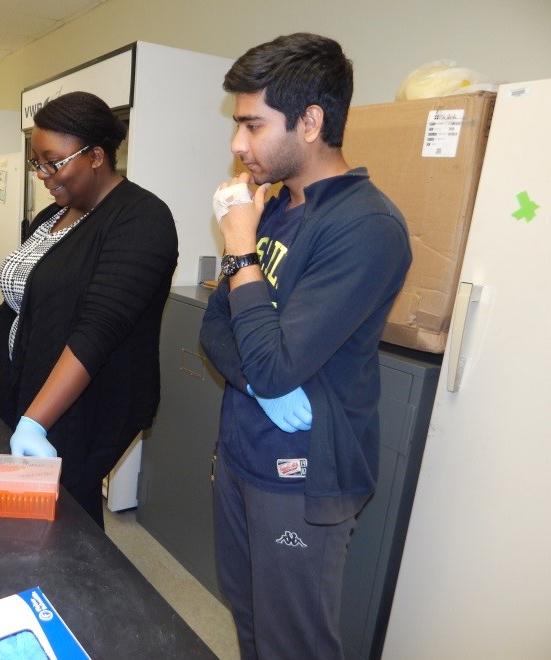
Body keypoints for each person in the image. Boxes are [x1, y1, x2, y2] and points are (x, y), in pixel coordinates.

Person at [200, 34, 412, 658]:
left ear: (311, 121)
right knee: (249, 621)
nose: (238, 145)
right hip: (242, 451)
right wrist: (256, 382)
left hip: (302, 476)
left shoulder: (365, 226)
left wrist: (240, 250)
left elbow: (272, 362)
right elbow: (216, 328)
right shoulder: (271, 209)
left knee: (293, 643)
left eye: (252, 125)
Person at [0, 91, 178, 528]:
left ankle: (83, 594)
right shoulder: (53, 214)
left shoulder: (142, 219)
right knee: (22, 507)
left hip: (86, 399)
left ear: (97, 155)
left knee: (65, 512)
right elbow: (20, 298)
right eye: (38, 164)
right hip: (28, 382)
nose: (44, 175)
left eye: (54, 162)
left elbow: (99, 329)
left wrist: (35, 420)